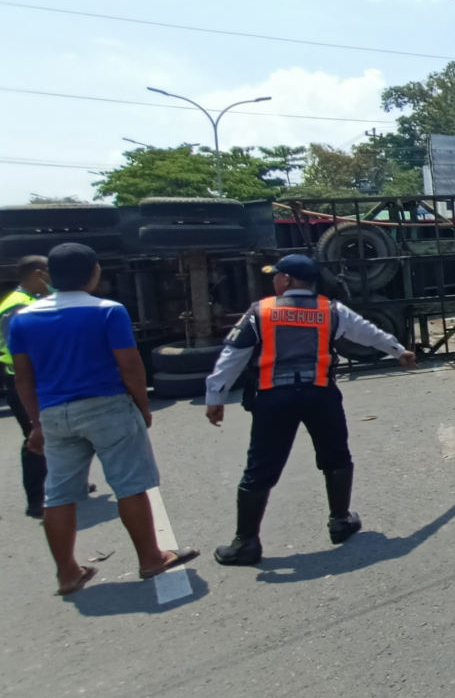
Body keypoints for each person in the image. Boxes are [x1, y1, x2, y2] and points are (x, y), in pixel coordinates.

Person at [204, 254, 417, 566]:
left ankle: (246, 542)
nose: (273, 280)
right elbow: (368, 332)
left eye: (276, 276)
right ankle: (340, 521)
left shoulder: (261, 311)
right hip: (320, 394)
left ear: (287, 280)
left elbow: (233, 355)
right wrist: (398, 351)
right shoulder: (330, 309)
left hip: (275, 398)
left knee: (260, 467)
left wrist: (215, 396)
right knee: (336, 457)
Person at [10, 243, 198, 595]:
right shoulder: (108, 311)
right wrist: (142, 407)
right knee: (130, 484)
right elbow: (130, 364)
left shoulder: (24, 318)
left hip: (54, 413)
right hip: (107, 406)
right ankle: (150, 558)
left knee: (59, 494)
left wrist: (37, 423)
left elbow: (23, 377)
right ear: (94, 272)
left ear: (50, 276)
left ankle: (67, 573)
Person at [0, 255, 51, 518]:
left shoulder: (31, 301)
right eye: (48, 273)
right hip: (23, 379)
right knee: (34, 437)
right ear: (38, 274)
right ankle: (36, 500)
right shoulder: (17, 306)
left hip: (35, 376)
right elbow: (15, 347)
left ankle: (57, 486)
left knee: (52, 433)